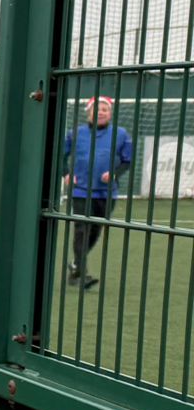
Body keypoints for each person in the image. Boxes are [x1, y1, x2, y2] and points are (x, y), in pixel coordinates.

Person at [61, 95, 133, 289]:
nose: (100, 113)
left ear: (110, 113)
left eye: (104, 109)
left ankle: (76, 265)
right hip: (81, 191)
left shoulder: (121, 134)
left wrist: (115, 174)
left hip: (106, 193)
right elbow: (60, 155)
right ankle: (81, 273)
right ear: (89, 112)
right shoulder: (75, 133)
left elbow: (127, 160)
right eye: (97, 109)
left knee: (95, 230)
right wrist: (66, 173)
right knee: (81, 229)